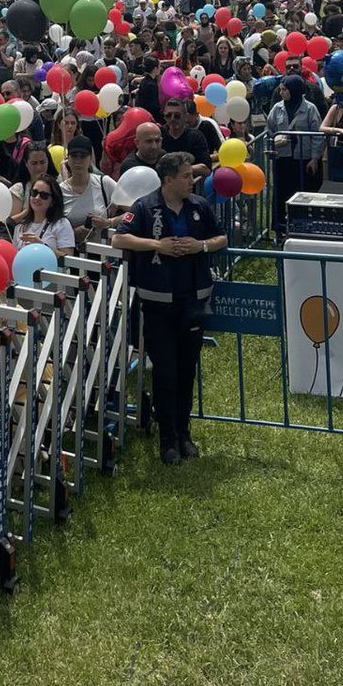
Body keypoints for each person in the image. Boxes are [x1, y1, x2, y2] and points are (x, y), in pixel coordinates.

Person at [112, 152, 226, 466]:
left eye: (191, 175)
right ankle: (168, 439)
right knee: (165, 371)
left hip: (192, 299)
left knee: (187, 369)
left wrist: (200, 246)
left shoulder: (199, 206)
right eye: (186, 176)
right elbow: (119, 239)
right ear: (168, 179)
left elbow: (221, 237)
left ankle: (184, 433)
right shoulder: (145, 206)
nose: (192, 180)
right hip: (157, 302)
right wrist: (156, 245)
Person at [265, 75, 323, 235]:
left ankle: (305, 227)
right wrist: (274, 144)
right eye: (281, 89)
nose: (281, 92)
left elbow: (317, 134)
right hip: (283, 159)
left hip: (303, 159)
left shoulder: (310, 109)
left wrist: (315, 158)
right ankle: (280, 228)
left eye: (285, 89)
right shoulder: (277, 108)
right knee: (282, 193)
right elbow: (269, 130)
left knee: (304, 194)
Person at [12, 174, 76, 255]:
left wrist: (42, 247)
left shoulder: (61, 224)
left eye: (44, 195)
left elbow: (69, 259)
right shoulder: (20, 228)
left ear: (53, 201)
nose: (37, 198)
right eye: (34, 193)